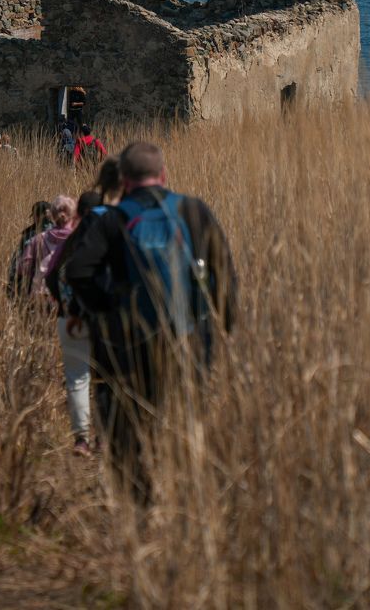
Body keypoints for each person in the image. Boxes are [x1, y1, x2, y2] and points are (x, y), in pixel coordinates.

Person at [65, 141, 237, 497]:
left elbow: (77, 271)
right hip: (188, 343)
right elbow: (224, 275)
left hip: (128, 347)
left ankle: (141, 499)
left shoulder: (111, 220)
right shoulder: (194, 211)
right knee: (186, 422)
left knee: (130, 432)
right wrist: (224, 326)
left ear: (124, 181)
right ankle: (187, 494)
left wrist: (107, 310)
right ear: (164, 175)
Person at [45, 190, 103, 456]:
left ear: (78, 213)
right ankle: (103, 437)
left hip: (69, 319)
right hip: (101, 319)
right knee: (103, 379)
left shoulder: (70, 242)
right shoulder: (108, 239)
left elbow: (51, 277)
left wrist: (64, 305)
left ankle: (81, 439)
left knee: (77, 379)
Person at [7, 201, 52, 299]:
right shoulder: (62, 232)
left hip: (31, 288)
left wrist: (11, 286)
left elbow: (16, 264)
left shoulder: (28, 236)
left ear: (35, 217)